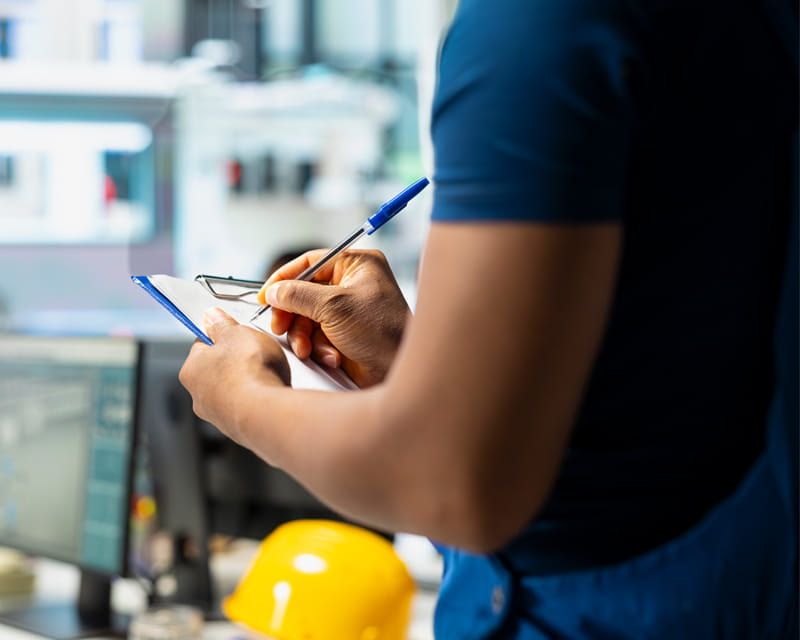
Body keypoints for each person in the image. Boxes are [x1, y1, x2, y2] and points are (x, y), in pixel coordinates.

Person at [179, 0, 798, 637]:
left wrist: (243, 398)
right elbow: (660, 345)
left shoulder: (538, 23)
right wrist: (412, 359)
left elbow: (451, 480)